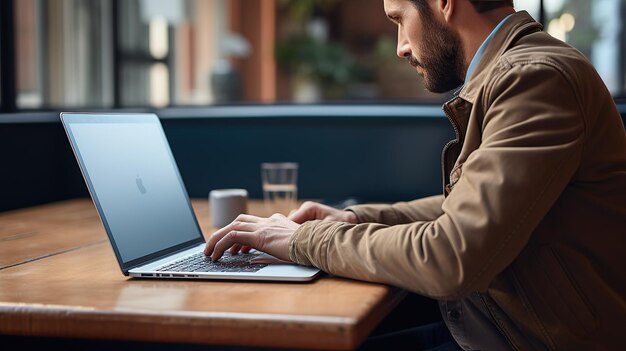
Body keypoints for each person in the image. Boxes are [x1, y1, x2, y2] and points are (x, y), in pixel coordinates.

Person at [205, 0, 626, 349]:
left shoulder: (534, 79)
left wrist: (303, 241)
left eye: (399, 18)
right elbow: (464, 210)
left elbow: (452, 255)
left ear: (444, 3)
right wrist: (353, 219)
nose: (400, 47)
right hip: (493, 324)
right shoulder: (516, 73)